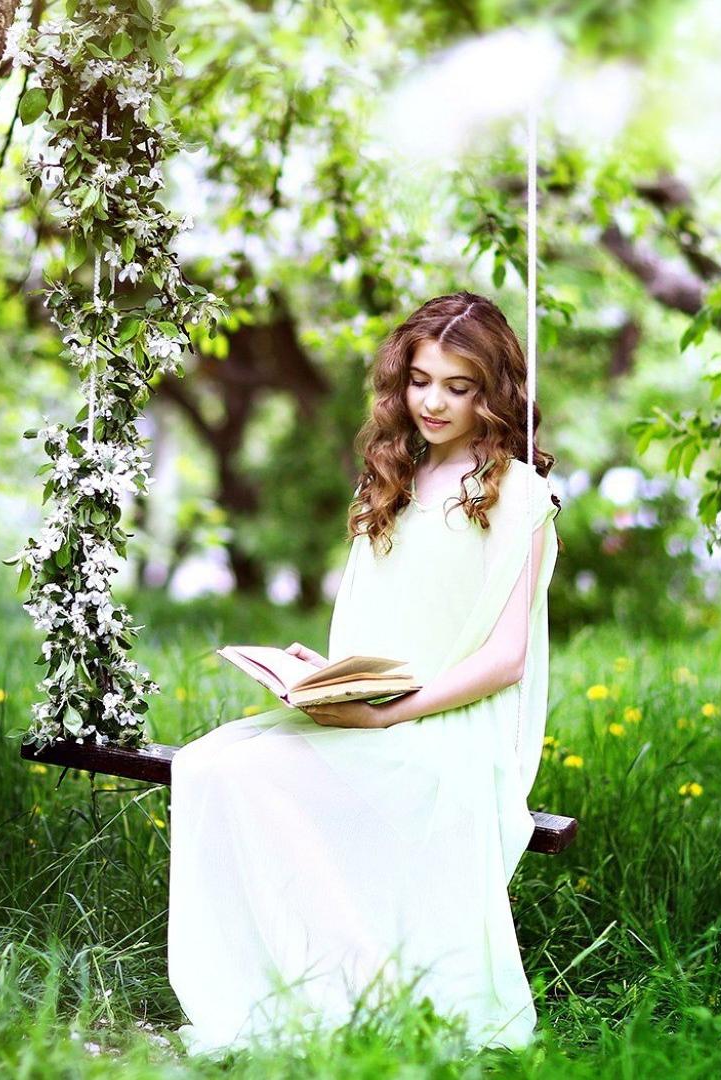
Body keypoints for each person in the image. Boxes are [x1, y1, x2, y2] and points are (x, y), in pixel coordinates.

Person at [167, 291, 563, 1055]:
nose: (435, 402)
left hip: (450, 729)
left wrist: (393, 713)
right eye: (421, 380)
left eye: (460, 385)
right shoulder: (391, 478)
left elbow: (505, 658)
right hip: (378, 706)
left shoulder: (516, 493)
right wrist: (328, 674)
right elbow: (378, 623)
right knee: (212, 763)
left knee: (251, 776)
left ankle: (360, 984)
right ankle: (333, 976)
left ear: (495, 390)